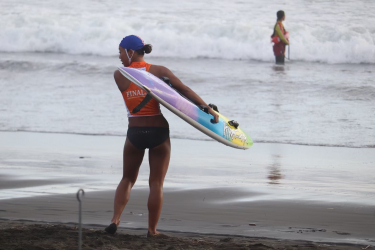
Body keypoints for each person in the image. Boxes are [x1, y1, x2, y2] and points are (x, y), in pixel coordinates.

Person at [105, 35, 219, 237]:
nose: (120, 57)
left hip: (135, 133)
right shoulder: (159, 71)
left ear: (130, 51)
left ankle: (115, 220)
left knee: (127, 179)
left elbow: (135, 79)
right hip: (158, 132)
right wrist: (209, 110)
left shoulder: (119, 75)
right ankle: (152, 230)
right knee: (156, 183)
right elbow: (183, 91)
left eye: (121, 52)